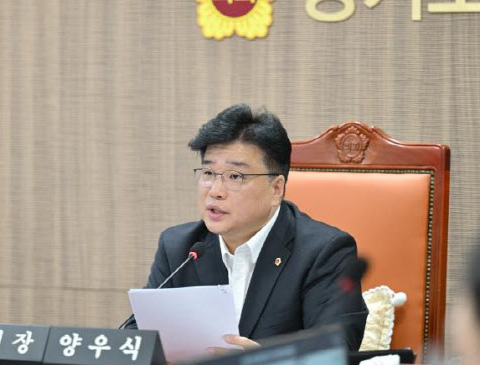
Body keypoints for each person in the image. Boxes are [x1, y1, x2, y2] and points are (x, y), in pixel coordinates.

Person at [124, 104, 368, 351]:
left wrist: (261, 361)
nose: (215, 191)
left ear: (276, 189)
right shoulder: (180, 248)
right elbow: (139, 336)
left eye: (235, 176)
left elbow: (334, 351)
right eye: (208, 172)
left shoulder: (324, 252)